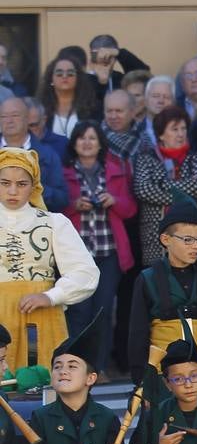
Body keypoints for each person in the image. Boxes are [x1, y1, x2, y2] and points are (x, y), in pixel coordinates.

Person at [128, 195, 197, 397]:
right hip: (163, 379)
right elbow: (138, 336)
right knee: (167, 429)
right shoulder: (147, 279)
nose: (196, 246)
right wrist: (142, 382)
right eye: (187, 240)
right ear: (165, 239)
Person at [0, 147, 99, 367]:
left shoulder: (54, 222)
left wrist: (51, 296)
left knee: (41, 386)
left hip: (42, 319)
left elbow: (86, 272)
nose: (13, 191)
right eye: (5, 183)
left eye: (22, 184)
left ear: (33, 186)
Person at [62, 123, 136, 377]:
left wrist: (114, 201)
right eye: (81, 138)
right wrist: (73, 205)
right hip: (76, 254)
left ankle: (100, 367)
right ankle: (77, 367)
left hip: (108, 253)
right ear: (73, 143)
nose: (87, 142)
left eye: (92, 138)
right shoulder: (65, 171)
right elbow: (56, 207)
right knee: (79, 312)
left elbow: (130, 209)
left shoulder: (116, 169)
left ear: (101, 143)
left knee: (103, 312)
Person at [131, 107, 197, 267]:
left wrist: (162, 186)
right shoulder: (146, 158)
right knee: (160, 286)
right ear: (161, 134)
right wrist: (183, 198)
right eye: (174, 129)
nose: (181, 134)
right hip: (156, 236)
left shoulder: (195, 157)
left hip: (191, 236)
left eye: (183, 129)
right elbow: (143, 190)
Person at [41, 55, 98, 140]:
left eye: (70, 73)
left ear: (78, 79)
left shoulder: (92, 108)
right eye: (59, 73)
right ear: (51, 79)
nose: (65, 76)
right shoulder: (41, 110)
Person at [102, 89, 151, 163]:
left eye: (119, 111)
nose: (113, 116)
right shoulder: (96, 138)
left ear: (132, 112)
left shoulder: (145, 141)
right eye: (109, 111)